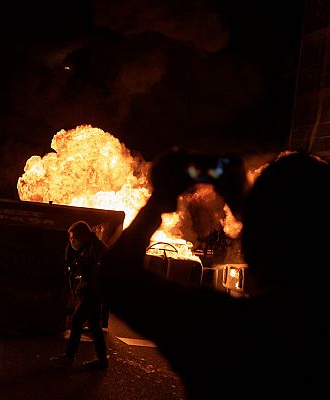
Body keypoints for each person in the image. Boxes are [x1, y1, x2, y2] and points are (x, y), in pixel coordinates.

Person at [98, 147, 330, 399]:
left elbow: (114, 276)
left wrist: (162, 197)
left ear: (256, 239)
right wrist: (250, 211)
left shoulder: (227, 330)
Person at [50, 220, 109, 368]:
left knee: (77, 321)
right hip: (92, 292)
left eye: (73, 238)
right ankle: (102, 360)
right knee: (94, 325)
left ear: (83, 237)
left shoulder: (95, 249)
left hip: (93, 293)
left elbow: (97, 272)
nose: (71, 241)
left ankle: (69, 357)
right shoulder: (88, 248)